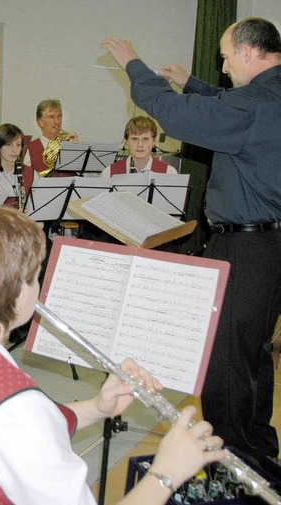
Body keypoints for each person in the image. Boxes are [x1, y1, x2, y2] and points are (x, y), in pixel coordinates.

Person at [0, 206, 225, 505]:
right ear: (16, 293)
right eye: (35, 276)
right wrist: (166, 472)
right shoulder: (17, 407)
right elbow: (16, 421)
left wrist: (97, 408)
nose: (39, 286)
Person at [101, 16, 281, 465]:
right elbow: (226, 101)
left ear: (247, 52)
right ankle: (259, 454)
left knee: (226, 364)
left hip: (246, 246)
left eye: (224, 56)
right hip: (271, 246)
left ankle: (232, 463)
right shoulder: (270, 95)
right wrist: (193, 83)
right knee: (253, 355)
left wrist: (134, 66)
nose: (223, 66)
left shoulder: (255, 103)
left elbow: (179, 117)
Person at [99, 116, 177, 177]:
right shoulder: (108, 173)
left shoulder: (169, 173)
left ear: (153, 142)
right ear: (126, 142)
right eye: (134, 139)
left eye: (145, 139)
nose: (140, 144)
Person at [25, 99, 80, 176]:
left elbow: (89, 177)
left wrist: (76, 150)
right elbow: (26, 179)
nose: (57, 121)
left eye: (59, 116)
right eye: (51, 117)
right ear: (40, 122)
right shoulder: (29, 149)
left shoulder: (69, 142)